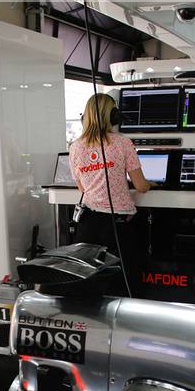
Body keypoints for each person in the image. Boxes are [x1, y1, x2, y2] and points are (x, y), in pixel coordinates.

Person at [68, 92, 150, 295]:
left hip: (88, 222)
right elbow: (141, 186)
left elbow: (82, 188)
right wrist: (149, 184)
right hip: (118, 225)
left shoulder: (75, 147)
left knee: (90, 280)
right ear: (112, 116)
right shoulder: (123, 143)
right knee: (123, 282)